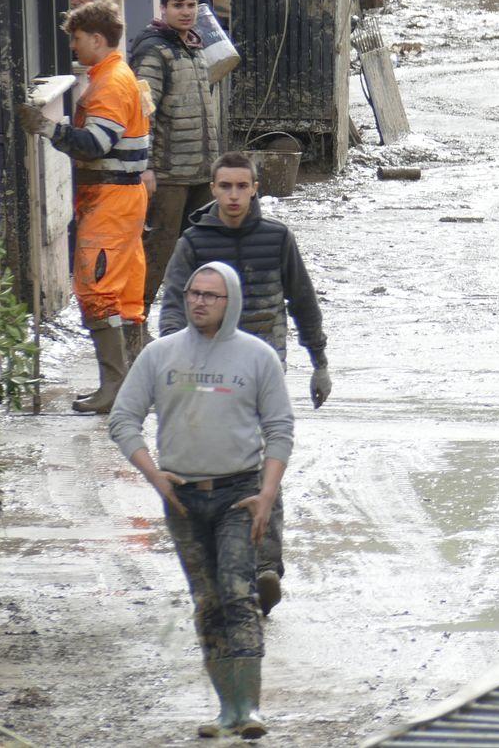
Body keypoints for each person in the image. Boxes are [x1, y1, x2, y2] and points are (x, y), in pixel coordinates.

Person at [111, 261, 292, 740]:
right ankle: (225, 708)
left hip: (239, 495)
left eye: (211, 296)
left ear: (229, 301)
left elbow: (279, 429)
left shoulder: (257, 357)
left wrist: (266, 494)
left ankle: (249, 707)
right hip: (185, 499)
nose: (199, 302)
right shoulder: (160, 355)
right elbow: (123, 420)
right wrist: (155, 477)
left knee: (238, 593)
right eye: (193, 293)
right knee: (207, 600)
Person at [155, 152, 328, 616]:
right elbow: (172, 303)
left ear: (255, 189)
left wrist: (319, 360)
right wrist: (176, 353)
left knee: (263, 457)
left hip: (263, 364)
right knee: (219, 460)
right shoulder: (193, 243)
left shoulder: (276, 239)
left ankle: (265, 565)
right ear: (212, 189)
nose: (233, 195)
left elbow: (302, 300)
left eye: (242, 186)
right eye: (225, 186)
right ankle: (222, 559)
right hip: (208, 371)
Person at [17, 0, 150, 413]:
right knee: (124, 296)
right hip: (120, 198)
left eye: (76, 39)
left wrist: (48, 128)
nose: (73, 47)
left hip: (110, 199)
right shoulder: (117, 76)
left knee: (98, 291)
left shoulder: (110, 83)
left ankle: (114, 388)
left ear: (96, 38)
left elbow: (96, 143)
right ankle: (131, 388)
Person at [132, 0, 221, 328]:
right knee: (157, 256)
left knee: (200, 257)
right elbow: (142, 113)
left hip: (201, 173)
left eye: (190, 6)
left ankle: (189, 330)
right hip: (168, 176)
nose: (185, 12)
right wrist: (147, 166)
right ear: (163, 7)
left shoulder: (194, 48)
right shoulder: (154, 50)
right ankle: (134, 330)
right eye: (177, 6)